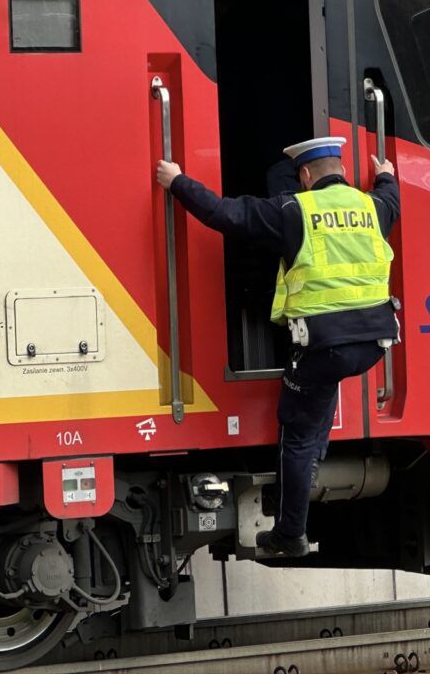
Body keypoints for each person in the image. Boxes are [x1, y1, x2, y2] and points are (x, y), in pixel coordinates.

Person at [156, 137, 399, 557]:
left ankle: (290, 533)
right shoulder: (373, 207)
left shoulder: (292, 210)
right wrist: (384, 174)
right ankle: (315, 461)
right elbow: (390, 193)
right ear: (340, 171)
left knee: (297, 433)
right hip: (374, 345)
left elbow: (223, 213)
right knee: (319, 402)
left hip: (325, 348)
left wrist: (177, 181)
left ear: (304, 176)